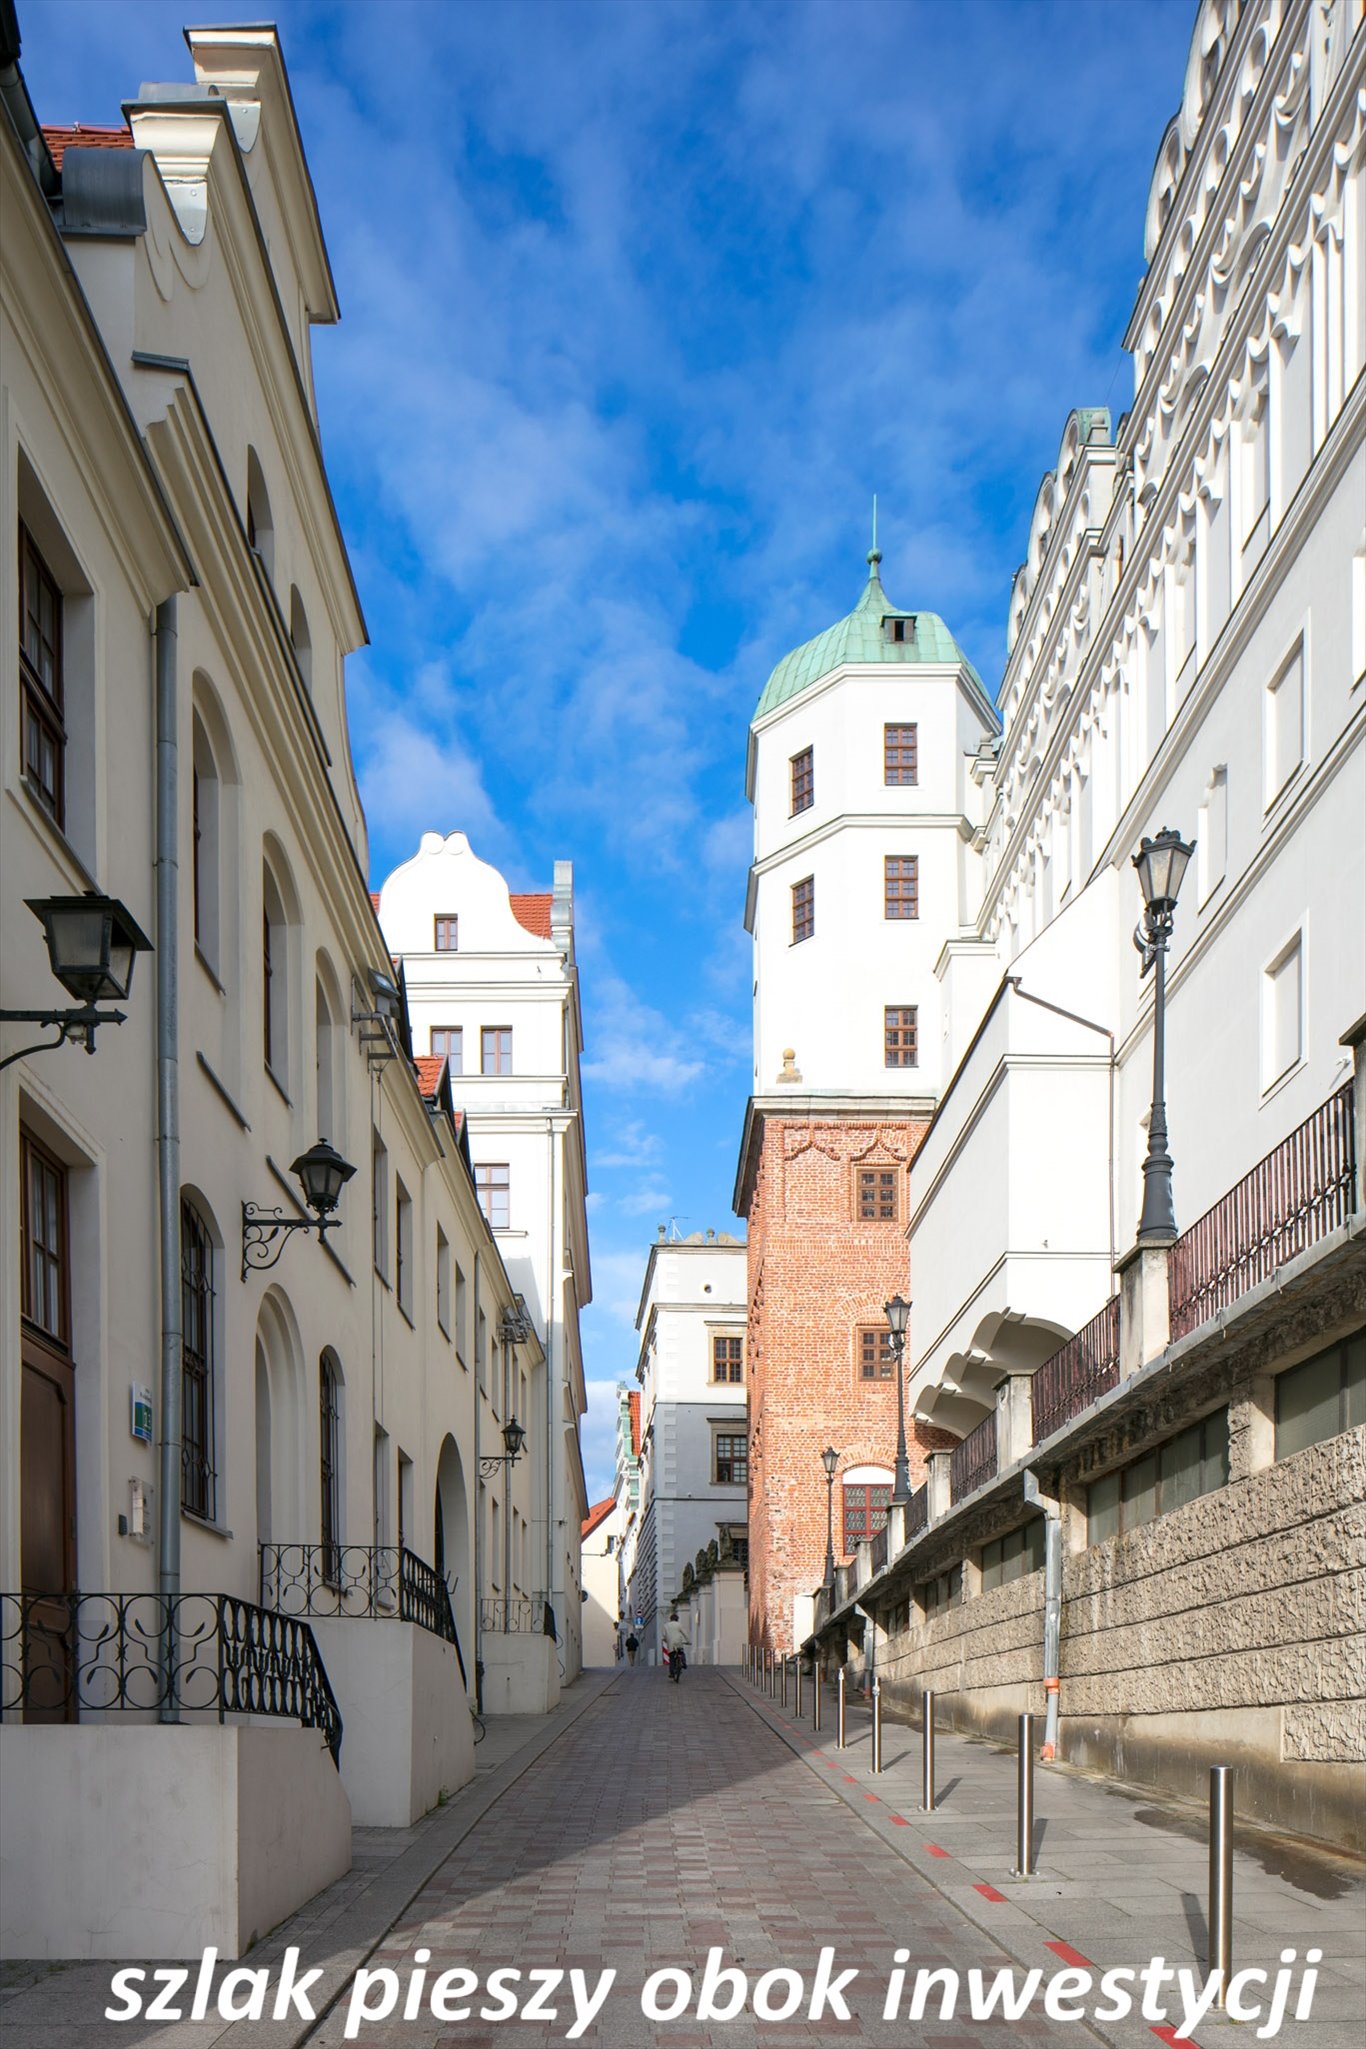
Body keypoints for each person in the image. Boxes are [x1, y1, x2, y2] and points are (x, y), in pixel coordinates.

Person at [661, 1609, 689, 1683]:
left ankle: (672, 1673)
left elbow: (663, 1636)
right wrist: (688, 1641)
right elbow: (685, 1633)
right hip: (678, 1642)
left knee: (672, 1658)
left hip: (671, 1644)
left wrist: (665, 1640)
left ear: (670, 1619)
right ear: (677, 1619)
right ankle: (683, 1662)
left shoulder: (666, 1626)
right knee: (681, 1652)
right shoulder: (679, 1624)